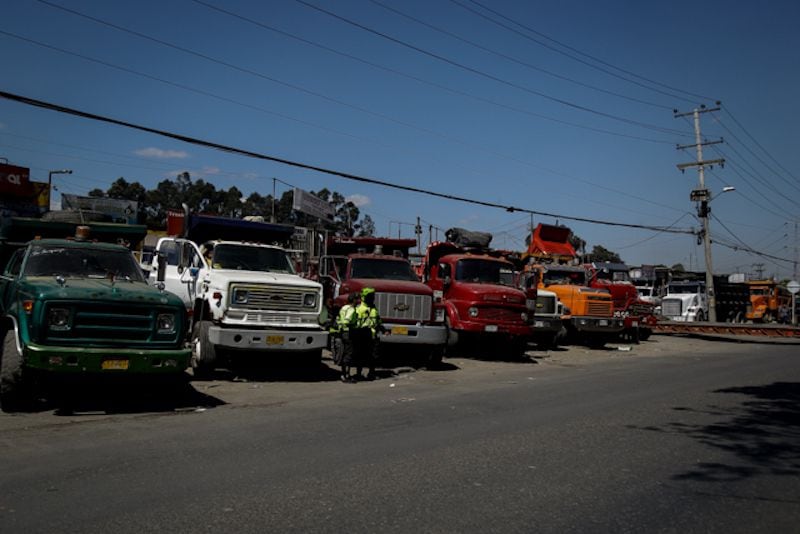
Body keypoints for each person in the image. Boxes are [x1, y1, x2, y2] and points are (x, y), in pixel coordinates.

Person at [354, 286, 383, 380]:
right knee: (360, 356)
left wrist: (383, 329)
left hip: (373, 336)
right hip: (362, 335)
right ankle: (358, 374)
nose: (372, 298)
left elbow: (378, 320)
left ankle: (371, 373)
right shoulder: (360, 309)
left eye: (373, 296)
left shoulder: (374, 308)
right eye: (370, 296)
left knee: (373, 356)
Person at [331, 292, 360, 383]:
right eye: (357, 299)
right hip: (349, 332)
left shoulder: (344, 307)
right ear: (354, 300)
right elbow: (347, 320)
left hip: (341, 332)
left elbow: (339, 319)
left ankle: (344, 374)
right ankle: (346, 375)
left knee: (344, 353)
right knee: (349, 354)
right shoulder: (351, 309)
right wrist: (353, 324)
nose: (359, 301)